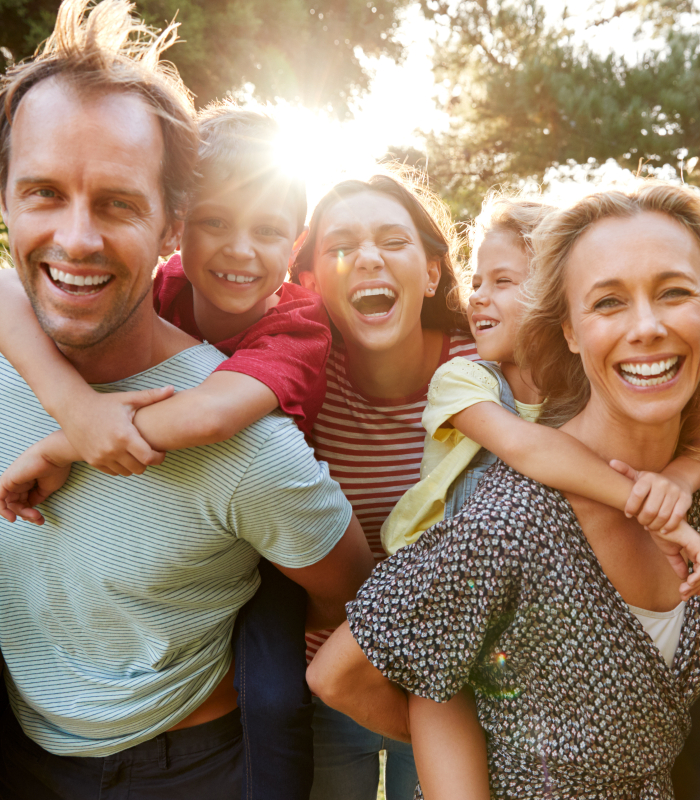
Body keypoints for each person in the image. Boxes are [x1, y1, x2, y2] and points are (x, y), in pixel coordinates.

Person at [0, 2, 374, 798]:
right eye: (42, 193)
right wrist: (72, 407)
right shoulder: (21, 339)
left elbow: (347, 584)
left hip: (185, 768)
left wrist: (80, 438)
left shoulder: (253, 425)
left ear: (168, 223)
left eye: (116, 203)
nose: (75, 240)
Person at [307, 182, 700, 799]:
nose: (648, 327)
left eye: (675, 291)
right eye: (609, 302)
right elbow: (340, 676)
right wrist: (489, 753)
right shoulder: (512, 515)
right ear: (568, 328)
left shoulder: (686, 478)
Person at [382, 193, 700, 577]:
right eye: (477, 282)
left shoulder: (592, 382)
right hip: (431, 572)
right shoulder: (462, 379)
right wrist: (650, 507)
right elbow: (528, 447)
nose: (478, 296)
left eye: (502, 281)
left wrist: (679, 478)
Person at [289, 173, 477, 799]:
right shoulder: (299, 380)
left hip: (453, 683)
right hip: (324, 674)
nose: (367, 256)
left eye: (392, 240)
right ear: (310, 283)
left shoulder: (482, 373)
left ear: (430, 272)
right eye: (341, 243)